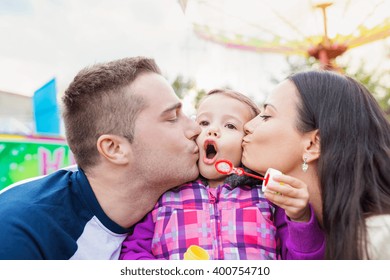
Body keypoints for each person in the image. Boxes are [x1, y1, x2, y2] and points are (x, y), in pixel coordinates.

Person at [0, 57, 201, 260]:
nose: (196, 129)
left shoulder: (190, 202)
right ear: (114, 148)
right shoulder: (19, 231)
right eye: (172, 118)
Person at [120, 89, 325, 260]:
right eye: (204, 123)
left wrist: (300, 218)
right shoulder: (164, 195)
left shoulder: (268, 199)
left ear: (246, 143)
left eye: (230, 126)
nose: (213, 131)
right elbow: (131, 253)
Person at [242, 70, 390, 260]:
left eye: (266, 116)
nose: (247, 125)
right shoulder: (272, 223)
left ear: (313, 144)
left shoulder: (380, 240)